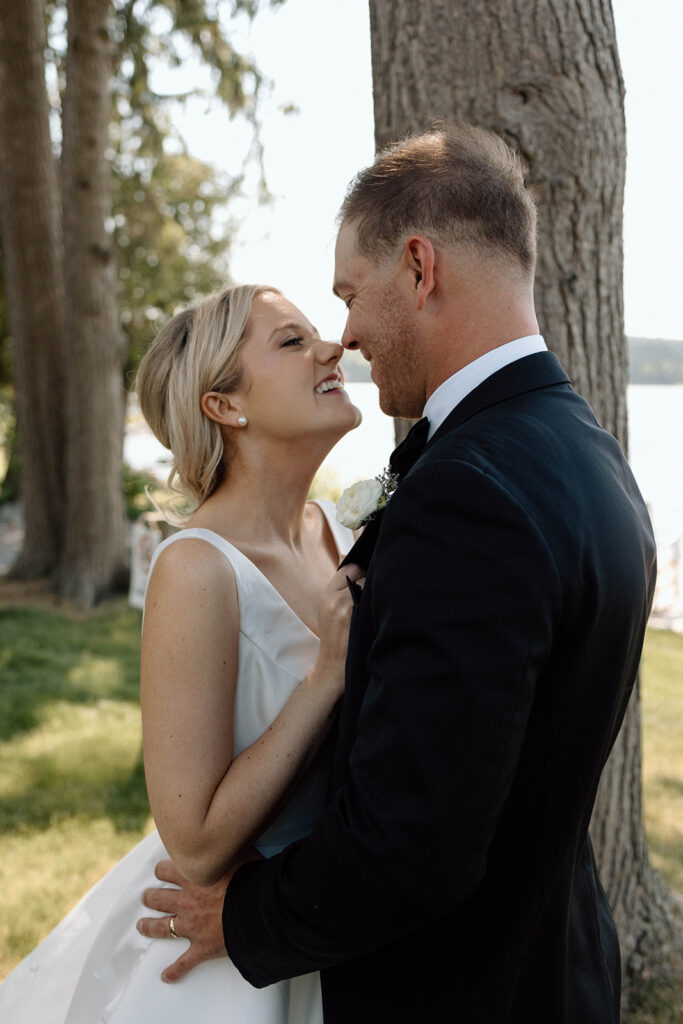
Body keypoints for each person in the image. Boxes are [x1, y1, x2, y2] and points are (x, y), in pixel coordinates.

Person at [138, 124, 657, 1023]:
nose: (343, 338)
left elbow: (414, 839)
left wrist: (252, 917)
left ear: (419, 267)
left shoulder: (466, 489)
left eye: (346, 296)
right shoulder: (584, 450)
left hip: (455, 984)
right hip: (539, 965)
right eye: (296, 337)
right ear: (222, 405)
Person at [0, 283, 363, 1023]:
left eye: (316, 332)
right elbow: (193, 845)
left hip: (325, 924)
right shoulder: (197, 567)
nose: (333, 349)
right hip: (225, 966)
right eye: (292, 342)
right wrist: (326, 677)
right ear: (224, 406)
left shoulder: (341, 531)